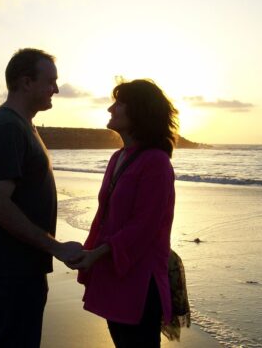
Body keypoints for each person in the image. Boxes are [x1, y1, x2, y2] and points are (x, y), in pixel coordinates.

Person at [0, 48, 82, 347]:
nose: (56, 89)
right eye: (50, 81)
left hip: (18, 265)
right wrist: (55, 247)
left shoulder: (21, 125)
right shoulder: (8, 128)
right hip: (11, 269)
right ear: (25, 82)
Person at [69, 79, 179, 347]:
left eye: (119, 103)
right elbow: (103, 217)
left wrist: (97, 254)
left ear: (138, 110)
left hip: (140, 283)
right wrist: (89, 252)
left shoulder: (156, 161)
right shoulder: (118, 157)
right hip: (114, 273)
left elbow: (144, 227)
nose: (110, 108)